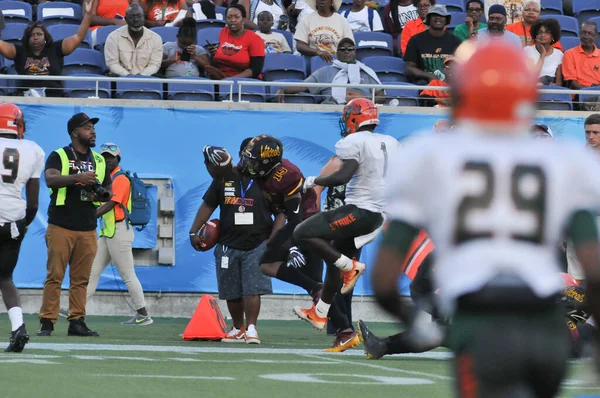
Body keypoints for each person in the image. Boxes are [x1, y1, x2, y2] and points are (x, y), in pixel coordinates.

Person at [371, 40, 600, 397]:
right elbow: (595, 270)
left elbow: (383, 280)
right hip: (546, 327)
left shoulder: (429, 156)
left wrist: (419, 325)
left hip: (482, 321)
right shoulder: (566, 160)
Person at [292, 99, 400, 351]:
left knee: (302, 231)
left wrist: (310, 181)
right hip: (376, 214)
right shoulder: (391, 143)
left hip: (360, 210)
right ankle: (320, 313)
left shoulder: (354, 142)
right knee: (333, 262)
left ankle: (349, 267)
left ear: (354, 118)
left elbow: (342, 176)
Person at [189, 143, 283, 344]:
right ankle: (237, 328)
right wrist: (193, 231)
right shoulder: (223, 179)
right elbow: (208, 205)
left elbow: (281, 213)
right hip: (227, 244)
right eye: (245, 154)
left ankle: (251, 329)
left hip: (257, 243)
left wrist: (272, 241)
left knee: (252, 289)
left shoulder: (266, 181)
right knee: (230, 290)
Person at [38, 113, 112, 338]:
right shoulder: (59, 155)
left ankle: (77, 321)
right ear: (74, 133)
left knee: (81, 279)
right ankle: (47, 322)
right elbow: (50, 179)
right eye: (87, 128)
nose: (93, 132)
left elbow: (109, 191)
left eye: (92, 128)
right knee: (55, 276)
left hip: (88, 228)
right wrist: (78, 178)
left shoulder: (99, 160)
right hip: (61, 224)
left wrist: (96, 202)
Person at [239, 135, 324, 306]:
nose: (248, 166)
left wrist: (293, 246)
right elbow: (236, 170)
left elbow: (295, 217)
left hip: (306, 223)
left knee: (268, 263)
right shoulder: (264, 170)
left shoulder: (286, 176)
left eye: (253, 162)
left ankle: (328, 308)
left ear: (267, 162)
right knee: (311, 279)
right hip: (301, 222)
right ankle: (320, 296)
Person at [86, 142, 152, 326]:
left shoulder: (120, 179)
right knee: (92, 272)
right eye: (104, 157)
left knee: (128, 274)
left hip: (119, 232)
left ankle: (144, 314)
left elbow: (112, 204)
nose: (107, 160)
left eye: (111, 157)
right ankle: (77, 311)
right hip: (109, 232)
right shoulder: (108, 179)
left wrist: (90, 217)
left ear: (118, 159)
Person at [0, 104, 44, 352]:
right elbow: (34, 203)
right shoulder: (33, 150)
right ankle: (18, 327)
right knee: (5, 278)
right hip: (14, 221)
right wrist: (23, 225)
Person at [0, 0, 95, 97]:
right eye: (32, 35)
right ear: (27, 39)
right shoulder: (19, 51)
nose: (36, 37)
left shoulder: (56, 48)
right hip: (26, 99)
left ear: (45, 38)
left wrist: (88, 15)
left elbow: (78, 37)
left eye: (39, 34)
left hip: (54, 98)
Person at [273, 37, 384, 104]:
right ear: (337, 52)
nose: (346, 51)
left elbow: (381, 95)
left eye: (350, 49)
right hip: (332, 110)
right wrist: (283, 89)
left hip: (362, 109)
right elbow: (303, 86)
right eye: (343, 49)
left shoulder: (366, 71)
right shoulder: (325, 71)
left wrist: (362, 99)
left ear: (355, 52)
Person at [565, 114, 600, 286]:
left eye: (595, 132)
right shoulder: (576, 157)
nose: (591, 136)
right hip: (580, 218)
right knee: (576, 273)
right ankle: (576, 312)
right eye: (587, 132)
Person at [404, 5, 461, 85]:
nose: (438, 18)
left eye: (441, 16)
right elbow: (409, 68)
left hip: (449, 84)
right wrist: (428, 75)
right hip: (424, 84)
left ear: (446, 19)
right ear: (429, 19)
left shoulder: (455, 42)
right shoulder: (416, 40)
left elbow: (461, 68)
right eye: (434, 15)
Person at [207, 4, 266, 80]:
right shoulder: (223, 32)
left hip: (245, 80)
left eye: (237, 17)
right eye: (229, 17)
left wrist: (231, 80)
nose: (232, 20)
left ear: (243, 19)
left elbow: (256, 69)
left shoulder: (255, 39)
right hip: (222, 78)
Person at [104, 4, 163, 76]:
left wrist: (141, 77)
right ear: (126, 19)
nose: (136, 20)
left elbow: (154, 65)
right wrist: (128, 77)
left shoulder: (156, 39)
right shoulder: (113, 37)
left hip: (146, 80)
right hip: (120, 80)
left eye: (139, 16)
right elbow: (112, 63)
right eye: (131, 17)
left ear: (144, 17)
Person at [561, 21, 600, 91]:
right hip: (579, 94)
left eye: (590, 33)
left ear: (596, 36)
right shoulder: (569, 54)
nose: (586, 36)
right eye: (583, 32)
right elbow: (571, 82)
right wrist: (589, 91)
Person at [523, 18, 563, 85]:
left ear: (552, 36)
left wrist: (554, 85)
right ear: (535, 35)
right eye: (540, 32)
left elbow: (559, 82)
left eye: (547, 32)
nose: (543, 35)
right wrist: (542, 56)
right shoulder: (527, 51)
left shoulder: (559, 54)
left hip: (549, 88)